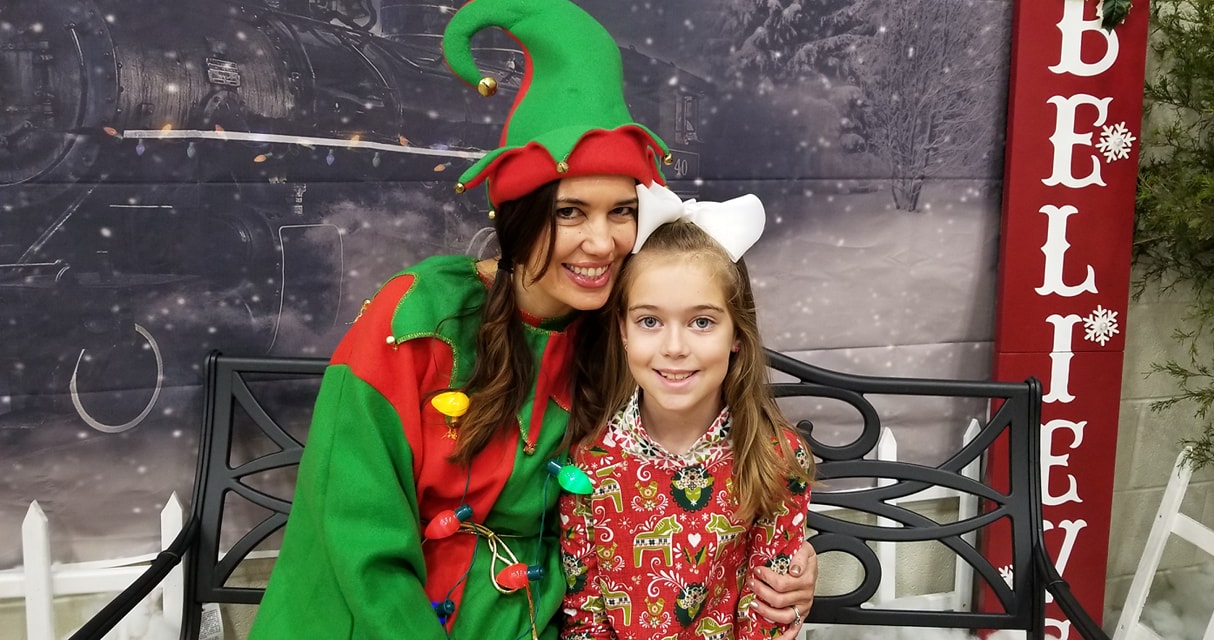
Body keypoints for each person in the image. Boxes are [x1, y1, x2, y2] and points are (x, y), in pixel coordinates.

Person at [248, 0, 817, 638]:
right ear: (520, 215)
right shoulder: (418, 318)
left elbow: (686, 494)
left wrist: (787, 562)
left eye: (621, 211)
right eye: (569, 212)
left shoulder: (626, 334)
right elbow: (358, 534)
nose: (600, 242)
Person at [559, 185, 816, 639]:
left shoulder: (775, 456)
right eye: (650, 321)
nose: (674, 347)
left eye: (702, 322)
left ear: (737, 334)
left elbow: (768, 617)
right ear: (623, 331)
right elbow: (584, 618)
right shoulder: (588, 464)